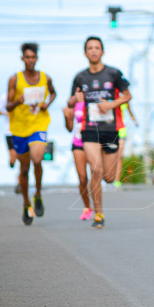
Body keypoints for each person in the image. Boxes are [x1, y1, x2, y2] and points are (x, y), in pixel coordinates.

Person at [68, 36, 132, 229]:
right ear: (85, 53)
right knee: (95, 170)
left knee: (109, 177)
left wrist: (111, 104)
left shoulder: (113, 74)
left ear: (102, 52)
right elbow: (70, 103)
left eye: (97, 48)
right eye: (90, 48)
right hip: (89, 130)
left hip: (109, 129)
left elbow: (128, 96)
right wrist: (74, 99)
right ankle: (99, 214)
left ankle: (115, 158)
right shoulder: (80, 77)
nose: (94, 51)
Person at [6, 42, 57, 225]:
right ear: (22, 58)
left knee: (37, 159)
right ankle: (26, 202)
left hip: (39, 125)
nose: (30, 60)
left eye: (33, 57)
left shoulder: (45, 77)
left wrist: (47, 104)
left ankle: (38, 194)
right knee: (24, 168)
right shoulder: (15, 79)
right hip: (19, 128)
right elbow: (7, 105)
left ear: (37, 58)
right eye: (27, 57)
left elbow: (53, 93)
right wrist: (18, 101)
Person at [63, 89, 93, 221]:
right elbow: (69, 128)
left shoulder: (94, 102)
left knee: (96, 174)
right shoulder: (74, 104)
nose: (80, 94)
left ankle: (98, 207)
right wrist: (67, 117)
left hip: (94, 141)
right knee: (82, 178)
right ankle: (87, 207)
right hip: (78, 142)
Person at [112, 100, 137, 189]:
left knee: (119, 155)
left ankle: (116, 180)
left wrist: (135, 121)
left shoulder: (124, 101)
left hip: (121, 130)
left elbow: (130, 112)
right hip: (110, 129)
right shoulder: (110, 98)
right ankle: (107, 177)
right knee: (110, 154)